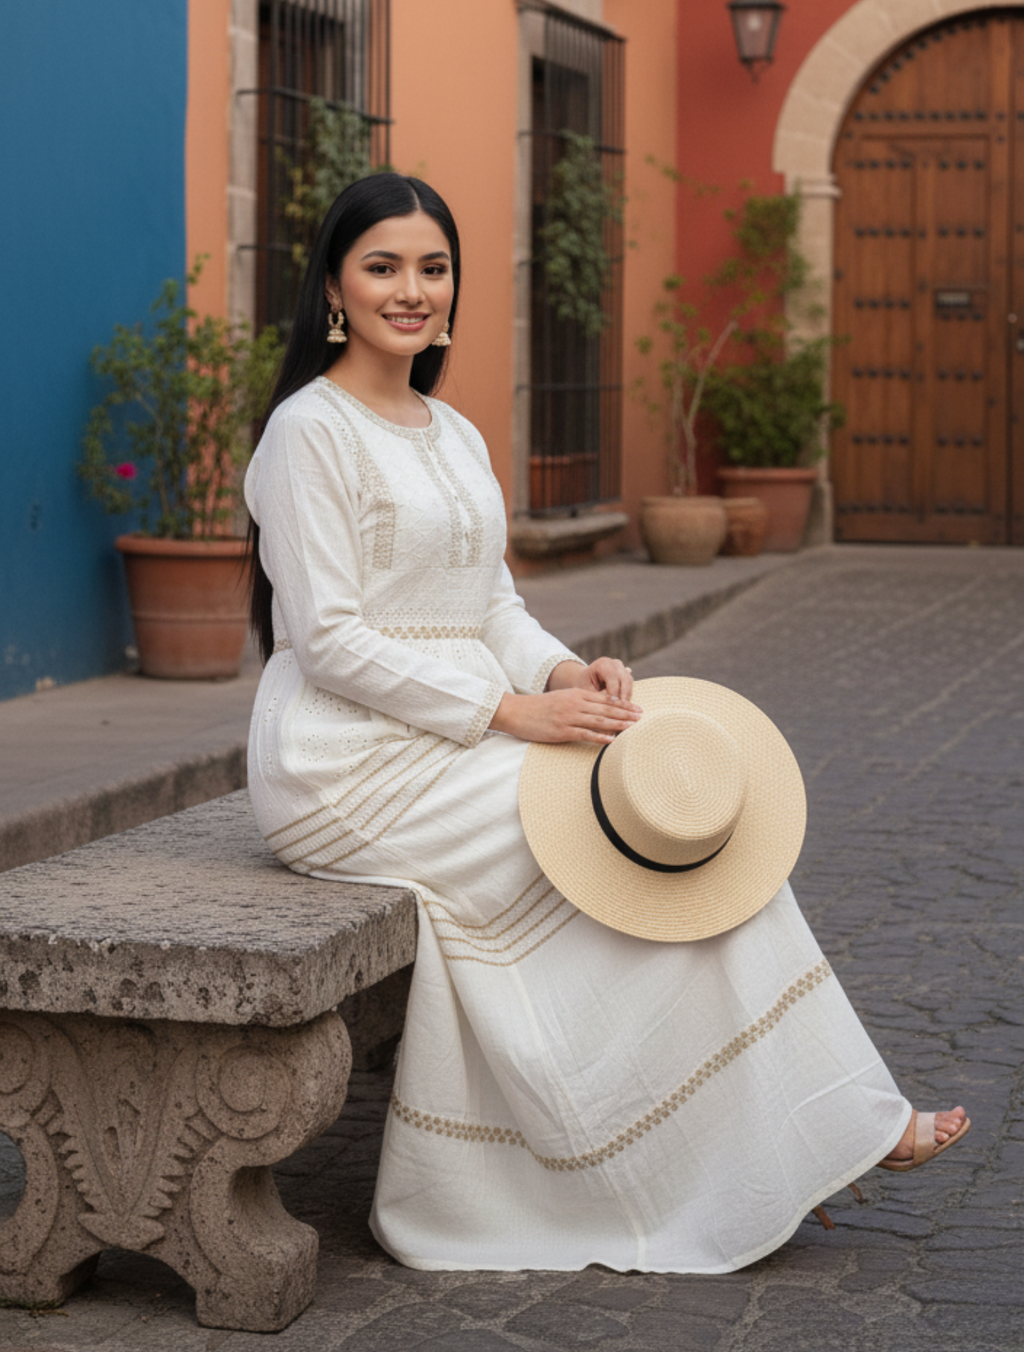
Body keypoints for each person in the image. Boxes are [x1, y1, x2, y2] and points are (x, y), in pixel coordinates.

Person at [244, 173, 968, 1273]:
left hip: (465, 727)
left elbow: (489, 605)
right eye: (381, 266)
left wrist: (571, 673)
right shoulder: (308, 433)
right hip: (348, 762)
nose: (410, 289)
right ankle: (796, 1130)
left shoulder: (452, 431)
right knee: (600, 831)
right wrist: (513, 711)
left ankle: (785, 1132)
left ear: (453, 288)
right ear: (334, 290)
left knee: (688, 815)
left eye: (431, 267)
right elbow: (331, 640)